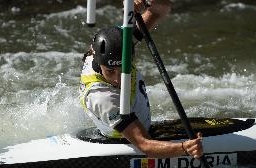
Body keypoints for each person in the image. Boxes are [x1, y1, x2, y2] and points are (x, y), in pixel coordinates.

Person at [79, 0, 203, 159]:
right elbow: (145, 145)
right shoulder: (103, 98)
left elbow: (161, 10)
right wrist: (185, 149)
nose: (118, 79)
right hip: (124, 138)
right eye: (110, 71)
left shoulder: (122, 43)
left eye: (124, 68)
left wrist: (147, 3)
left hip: (135, 117)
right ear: (98, 62)